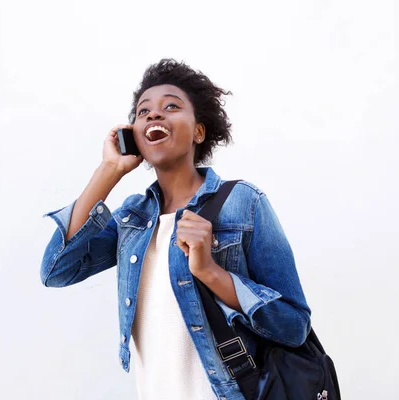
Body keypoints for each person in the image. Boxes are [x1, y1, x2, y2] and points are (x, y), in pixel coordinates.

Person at [40, 59, 311, 400]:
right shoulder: (132, 218)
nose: (154, 115)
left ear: (199, 131)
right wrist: (109, 170)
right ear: (134, 137)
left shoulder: (243, 202)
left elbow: (294, 326)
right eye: (143, 112)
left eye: (171, 106)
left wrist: (211, 273)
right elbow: (56, 270)